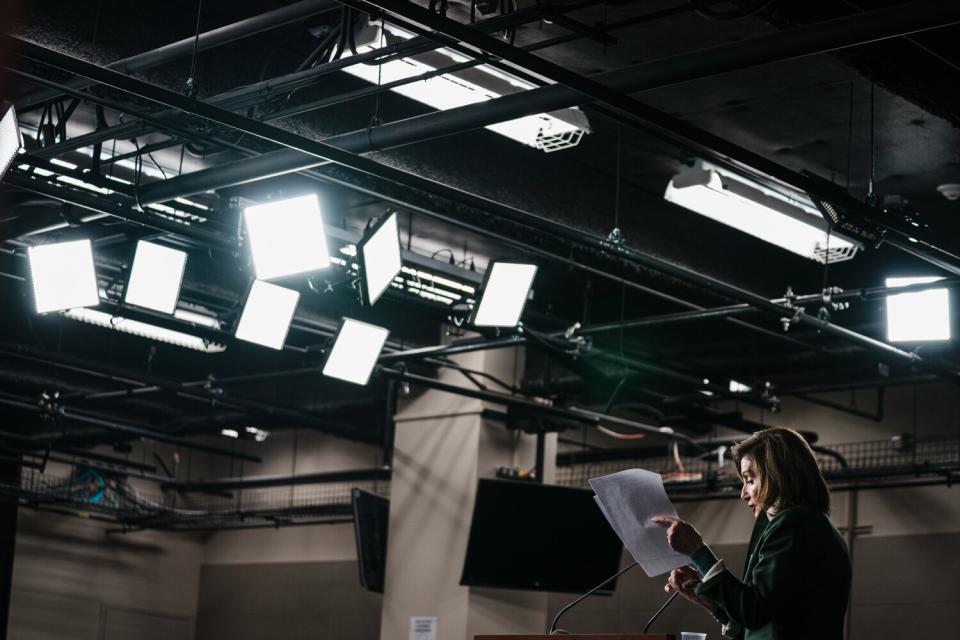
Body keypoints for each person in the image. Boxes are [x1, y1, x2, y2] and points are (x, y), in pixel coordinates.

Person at [651, 427, 851, 640]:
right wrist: (708, 601)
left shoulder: (795, 523)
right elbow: (761, 620)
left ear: (777, 477)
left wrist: (697, 551)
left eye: (750, 479)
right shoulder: (813, 525)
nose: (743, 494)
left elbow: (753, 611)